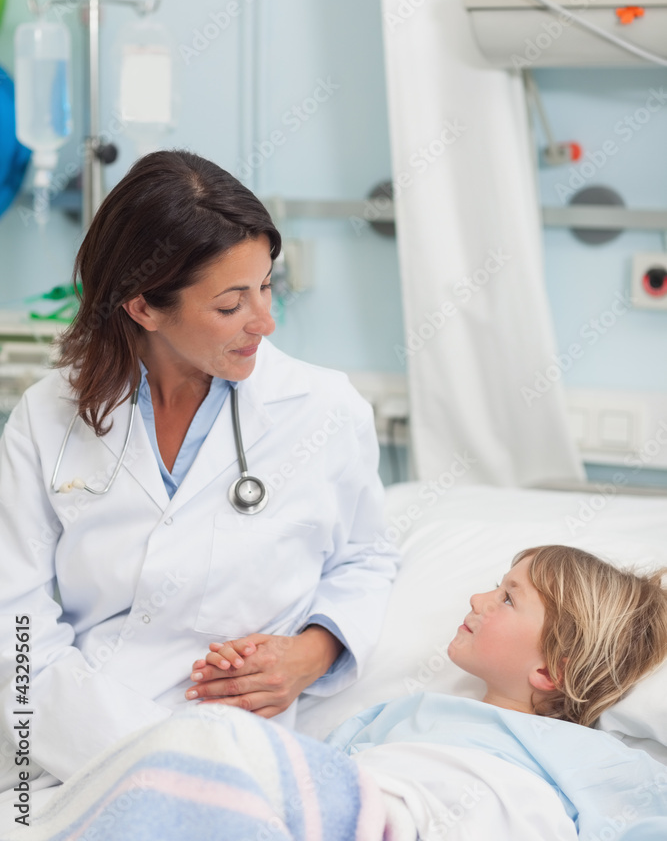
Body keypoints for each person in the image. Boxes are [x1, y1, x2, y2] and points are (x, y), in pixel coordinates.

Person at [0, 150, 399, 796]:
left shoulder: (323, 410)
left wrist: (311, 653)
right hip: (69, 743)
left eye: (267, 286)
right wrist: (150, 756)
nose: (264, 323)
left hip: (244, 744)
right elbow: (11, 624)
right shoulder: (49, 418)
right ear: (142, 307)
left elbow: (365, 559)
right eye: (230, 304)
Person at [6, 544, 667, 840]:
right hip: (353, 812)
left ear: (548, 670)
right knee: (216, 750)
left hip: (420, 823)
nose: (476, 597)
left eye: (506, 597)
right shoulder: (400, 714)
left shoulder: (586, 757)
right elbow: (316, 778)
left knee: (213, 742)